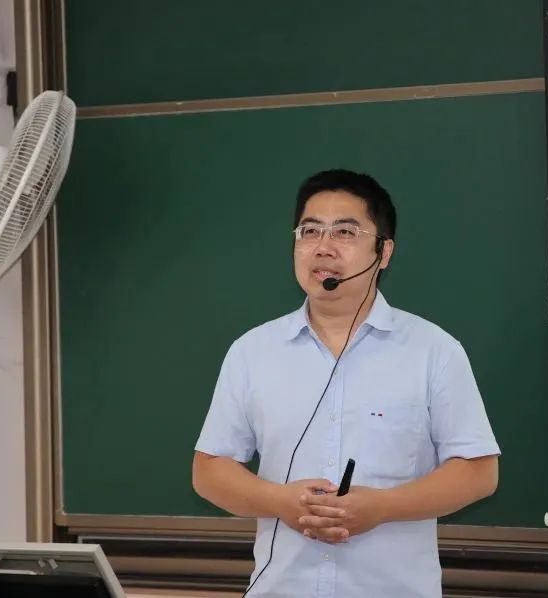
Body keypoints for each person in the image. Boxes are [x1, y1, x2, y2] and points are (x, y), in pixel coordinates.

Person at [192, 169, 500, 598]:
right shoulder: (252, 351)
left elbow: (478, 472)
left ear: (383, 252)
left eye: (345, 232)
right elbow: (209, 470)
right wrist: (281, 502)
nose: (323, 247)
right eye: (309, 231)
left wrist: (383, 507)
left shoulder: (433, 350)